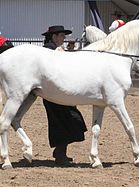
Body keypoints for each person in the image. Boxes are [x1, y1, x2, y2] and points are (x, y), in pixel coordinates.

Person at [41, 25, 87, 166]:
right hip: (54, 95)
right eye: (61, 35)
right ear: (54, 36)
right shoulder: (49, 50)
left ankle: (60, 152)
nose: (64, 38)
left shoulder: (54, 49)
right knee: (65, 122)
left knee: (65, 122)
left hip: (58, 94)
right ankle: (60, 154)